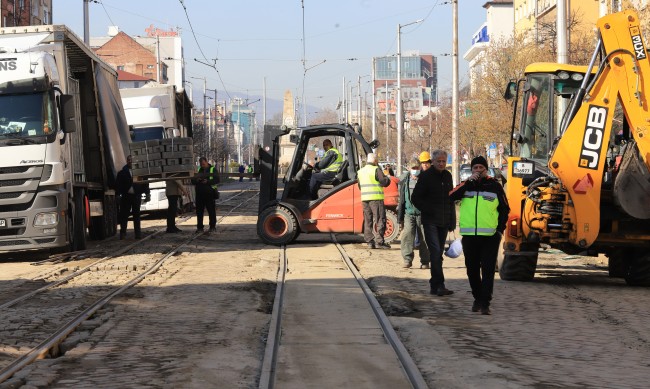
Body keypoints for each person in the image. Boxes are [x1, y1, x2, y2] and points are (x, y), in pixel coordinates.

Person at [449, 156, 509, 315]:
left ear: (486, 169)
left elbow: (505, 209)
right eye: (475, 168)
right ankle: (477, 297)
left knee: (488, 270)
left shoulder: (494, 186)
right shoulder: (466, 186)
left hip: (490, 236)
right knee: (472, 270)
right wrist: (467, 182)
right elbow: (451, 195)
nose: (477, 171)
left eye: (480, 168)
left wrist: (499, 230)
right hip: (469, 235)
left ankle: (485, 303)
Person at [411, 149, 456, 296]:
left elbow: (451, 199)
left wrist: (452, 220)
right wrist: (428, 209)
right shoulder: (426, 176)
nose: (441, 164)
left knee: (438, 254)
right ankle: (440, 284)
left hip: (444, 221)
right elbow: (416, 198)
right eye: (439, 161)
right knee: (436, 252)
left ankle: (434, 285)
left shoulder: (448, 176)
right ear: (433, 162)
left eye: (444, 161)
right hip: (430, 221)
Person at [398, 157, 430, 269]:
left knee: (424, 238)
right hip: (408, 213)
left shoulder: (425, 179)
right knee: (407, 235)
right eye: (413, 168)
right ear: (409, 168)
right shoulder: (403, 180)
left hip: (422, 214)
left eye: (417, 168)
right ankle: (407, 259)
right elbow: (401, 197)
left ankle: (425, 261)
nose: (415, 170)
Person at [358, 153, 391, 249]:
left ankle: (369, 242)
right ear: (375, 160)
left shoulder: (360, 171)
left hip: (365, 199)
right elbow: (384, 182)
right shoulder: (376, 169)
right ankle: (379, 242)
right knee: (380, 219)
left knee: (368, 220)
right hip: (376, 198)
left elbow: (359, 186)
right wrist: (387, 178)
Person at [116, 155, 150, 240]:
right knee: (124, 216)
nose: (130, 161)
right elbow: (118, 185)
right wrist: (118, 195)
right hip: (126, 197)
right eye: (129, 160)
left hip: (136, 196)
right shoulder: (122, 173)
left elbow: (145, 183)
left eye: (132, 160)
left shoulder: (140, 172)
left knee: (137, 216)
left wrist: (147, 194)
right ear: (127, 161)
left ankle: (138, 234)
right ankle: (123, 233)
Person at [192, 157, 219, 232]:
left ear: (207, 162)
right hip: (200, 194)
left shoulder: (213, 169)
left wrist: (207, 181)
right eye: (201, 164)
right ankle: (200, 227)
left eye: (203, 164)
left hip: (209, 193)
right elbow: (193, 180)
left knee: (211, 211)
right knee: (199, 211)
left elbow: (217, 179)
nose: (202, 166)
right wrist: (197, 180)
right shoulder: (198, 170)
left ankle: (212, 227)